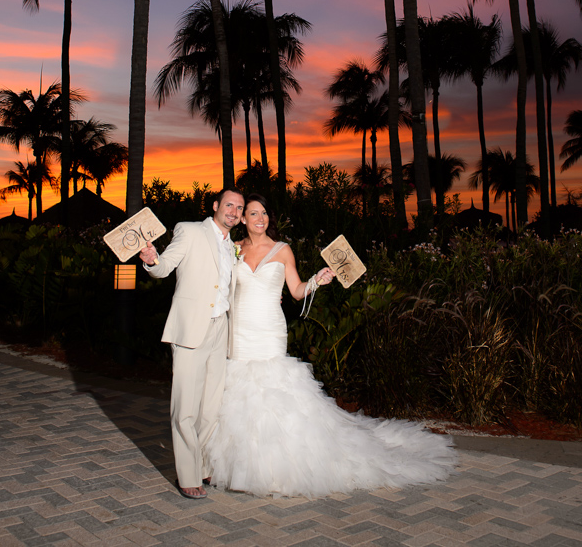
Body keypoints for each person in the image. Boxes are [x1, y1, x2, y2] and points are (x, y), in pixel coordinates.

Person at [205, 194, 457, 499]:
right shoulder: (233, 249)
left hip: (269, 330)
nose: (260, 219)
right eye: (253, 214)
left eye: (265, 214)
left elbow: (296, 292)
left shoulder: (282, 251)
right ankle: (239, 466)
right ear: (242, 219)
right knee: (239, 394)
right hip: (240, 332)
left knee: (270, 390)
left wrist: (317, 280)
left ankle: (275, 470)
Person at [138, 187, 244, 500]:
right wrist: (151, 258)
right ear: (215, 206)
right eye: (229, 205)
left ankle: (204, 466)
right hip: (190, 329)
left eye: (239, 208)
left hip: (220, 328)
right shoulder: (189, 230)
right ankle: (187, 475)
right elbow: (163, 267)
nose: (234, 212)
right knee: (185, 407)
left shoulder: (232, 246)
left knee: (210, 408)